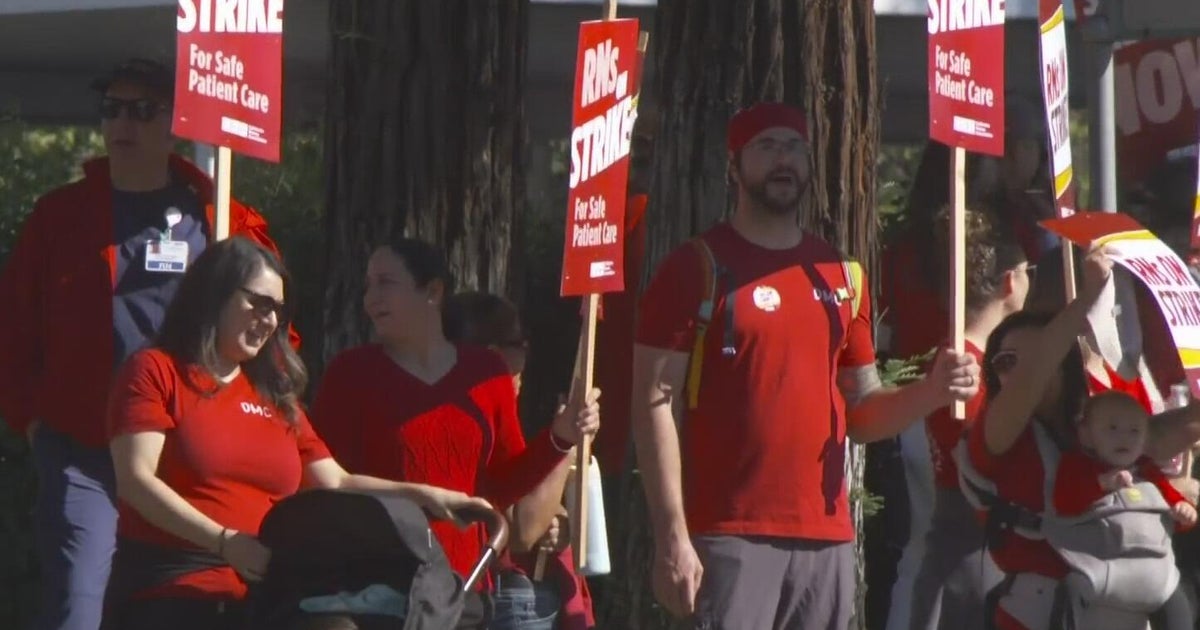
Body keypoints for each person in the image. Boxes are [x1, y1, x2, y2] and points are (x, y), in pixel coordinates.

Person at [630, 101, 981, 629]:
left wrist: (932, 391)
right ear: (734, 165)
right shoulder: (696, 267)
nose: (784, 160)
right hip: (728, 534)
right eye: (767, 147)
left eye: (795, 148)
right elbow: (653, 404)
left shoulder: (842, 275)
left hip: (827, 541)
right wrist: (671, 534)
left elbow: (862, 412)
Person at [0, 57, 286, 630]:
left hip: (188, 457)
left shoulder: (220, 218)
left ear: (176, 123)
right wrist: (34, 423)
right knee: (78, 606)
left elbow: (272, 327)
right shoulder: (61, 216)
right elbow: (13, 325)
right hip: (85, 449)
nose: (122, 123)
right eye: (112, 109)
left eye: (142, 110)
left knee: (195, 605)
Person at [104, 237, 490, 630]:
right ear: (215, 294)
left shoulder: (274, 396)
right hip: (179, 587)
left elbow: (337, 482)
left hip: (275, 596)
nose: (270, 320)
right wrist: (224, 541)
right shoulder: (156, 370)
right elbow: (135, 480)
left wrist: (428, 496)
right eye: (260, 303)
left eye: (278, 310)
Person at [310, 239, 600, 590]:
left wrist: (560, 438)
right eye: (368, 286)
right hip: (377, 588)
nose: (371, 299)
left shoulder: (487, 372)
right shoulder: (350, 374)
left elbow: (503, 485)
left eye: (385, 283)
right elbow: (323, 485)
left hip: (467, 587)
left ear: (433, 291)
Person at [960, 247, 1200, 630]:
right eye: (1005, 361)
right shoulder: (994, 432)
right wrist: (1089, 296)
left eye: (1036, 357)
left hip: (1125, 610)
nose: (1021, 370)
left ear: (1065, 363)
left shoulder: (1096, 422)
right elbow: (1031, 377)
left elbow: (1159, 434)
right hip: (1038, 615)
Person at [907, 204, 1031, 630]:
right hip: (971, 548)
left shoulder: (984, 362)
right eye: (1027, 272)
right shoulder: (961, 368)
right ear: (1009, 282)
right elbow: (985, 454)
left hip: (979, 550)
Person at [443, 291, 595, 630]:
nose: (526, 355)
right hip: (503, 598)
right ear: (494, 354)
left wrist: (558, 519)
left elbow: (519, 498)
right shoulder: (478, 419)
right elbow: (523, 529)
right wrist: (566, 441)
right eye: (520, 344)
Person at [1052, 391, 1195, 630]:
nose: (1124, 438)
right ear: (1086, 435)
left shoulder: (1147, 472)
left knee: (1178, 602)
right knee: (1072, 588)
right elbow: (1063, 503)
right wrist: (1101, 484)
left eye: (1134, 431)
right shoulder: (1077, 466)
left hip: (1155, 572)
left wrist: (1183, 511)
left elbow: (1172, 506)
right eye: (1112, 428)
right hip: (1102, 567)